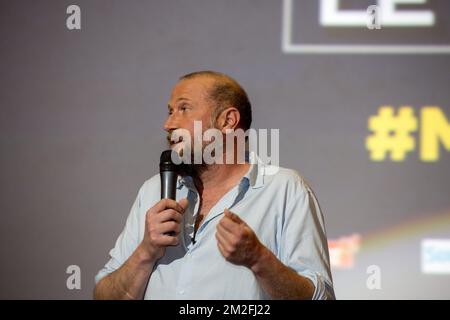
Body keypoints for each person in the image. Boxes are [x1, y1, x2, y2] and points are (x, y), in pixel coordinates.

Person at [94, 71, 335, 300]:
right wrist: (145, 252)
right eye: (169, 111)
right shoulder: (152, 190)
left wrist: (259, 259)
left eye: (183, 108)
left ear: (227, 121)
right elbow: (103, 295)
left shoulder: (284, 189)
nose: (168, 124)